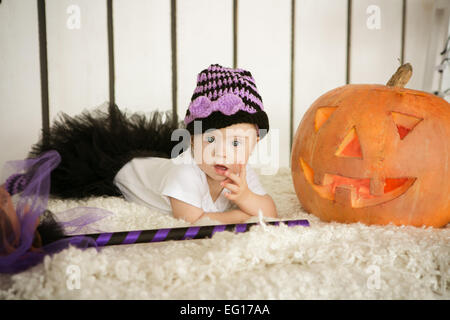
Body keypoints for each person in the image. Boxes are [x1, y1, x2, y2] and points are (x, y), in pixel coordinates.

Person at [28, 64, 278, 224]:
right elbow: (194, 221)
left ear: (254, 144)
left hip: (157, 166)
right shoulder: (185, 174)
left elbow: (269, 211)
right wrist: (244, 215)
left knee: (161, 163)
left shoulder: (242, 175)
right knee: (83, 163)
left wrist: (246, 197)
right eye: (210, 138)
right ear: (192, 140)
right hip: (124, 170)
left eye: (236, 143)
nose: (222, 152)